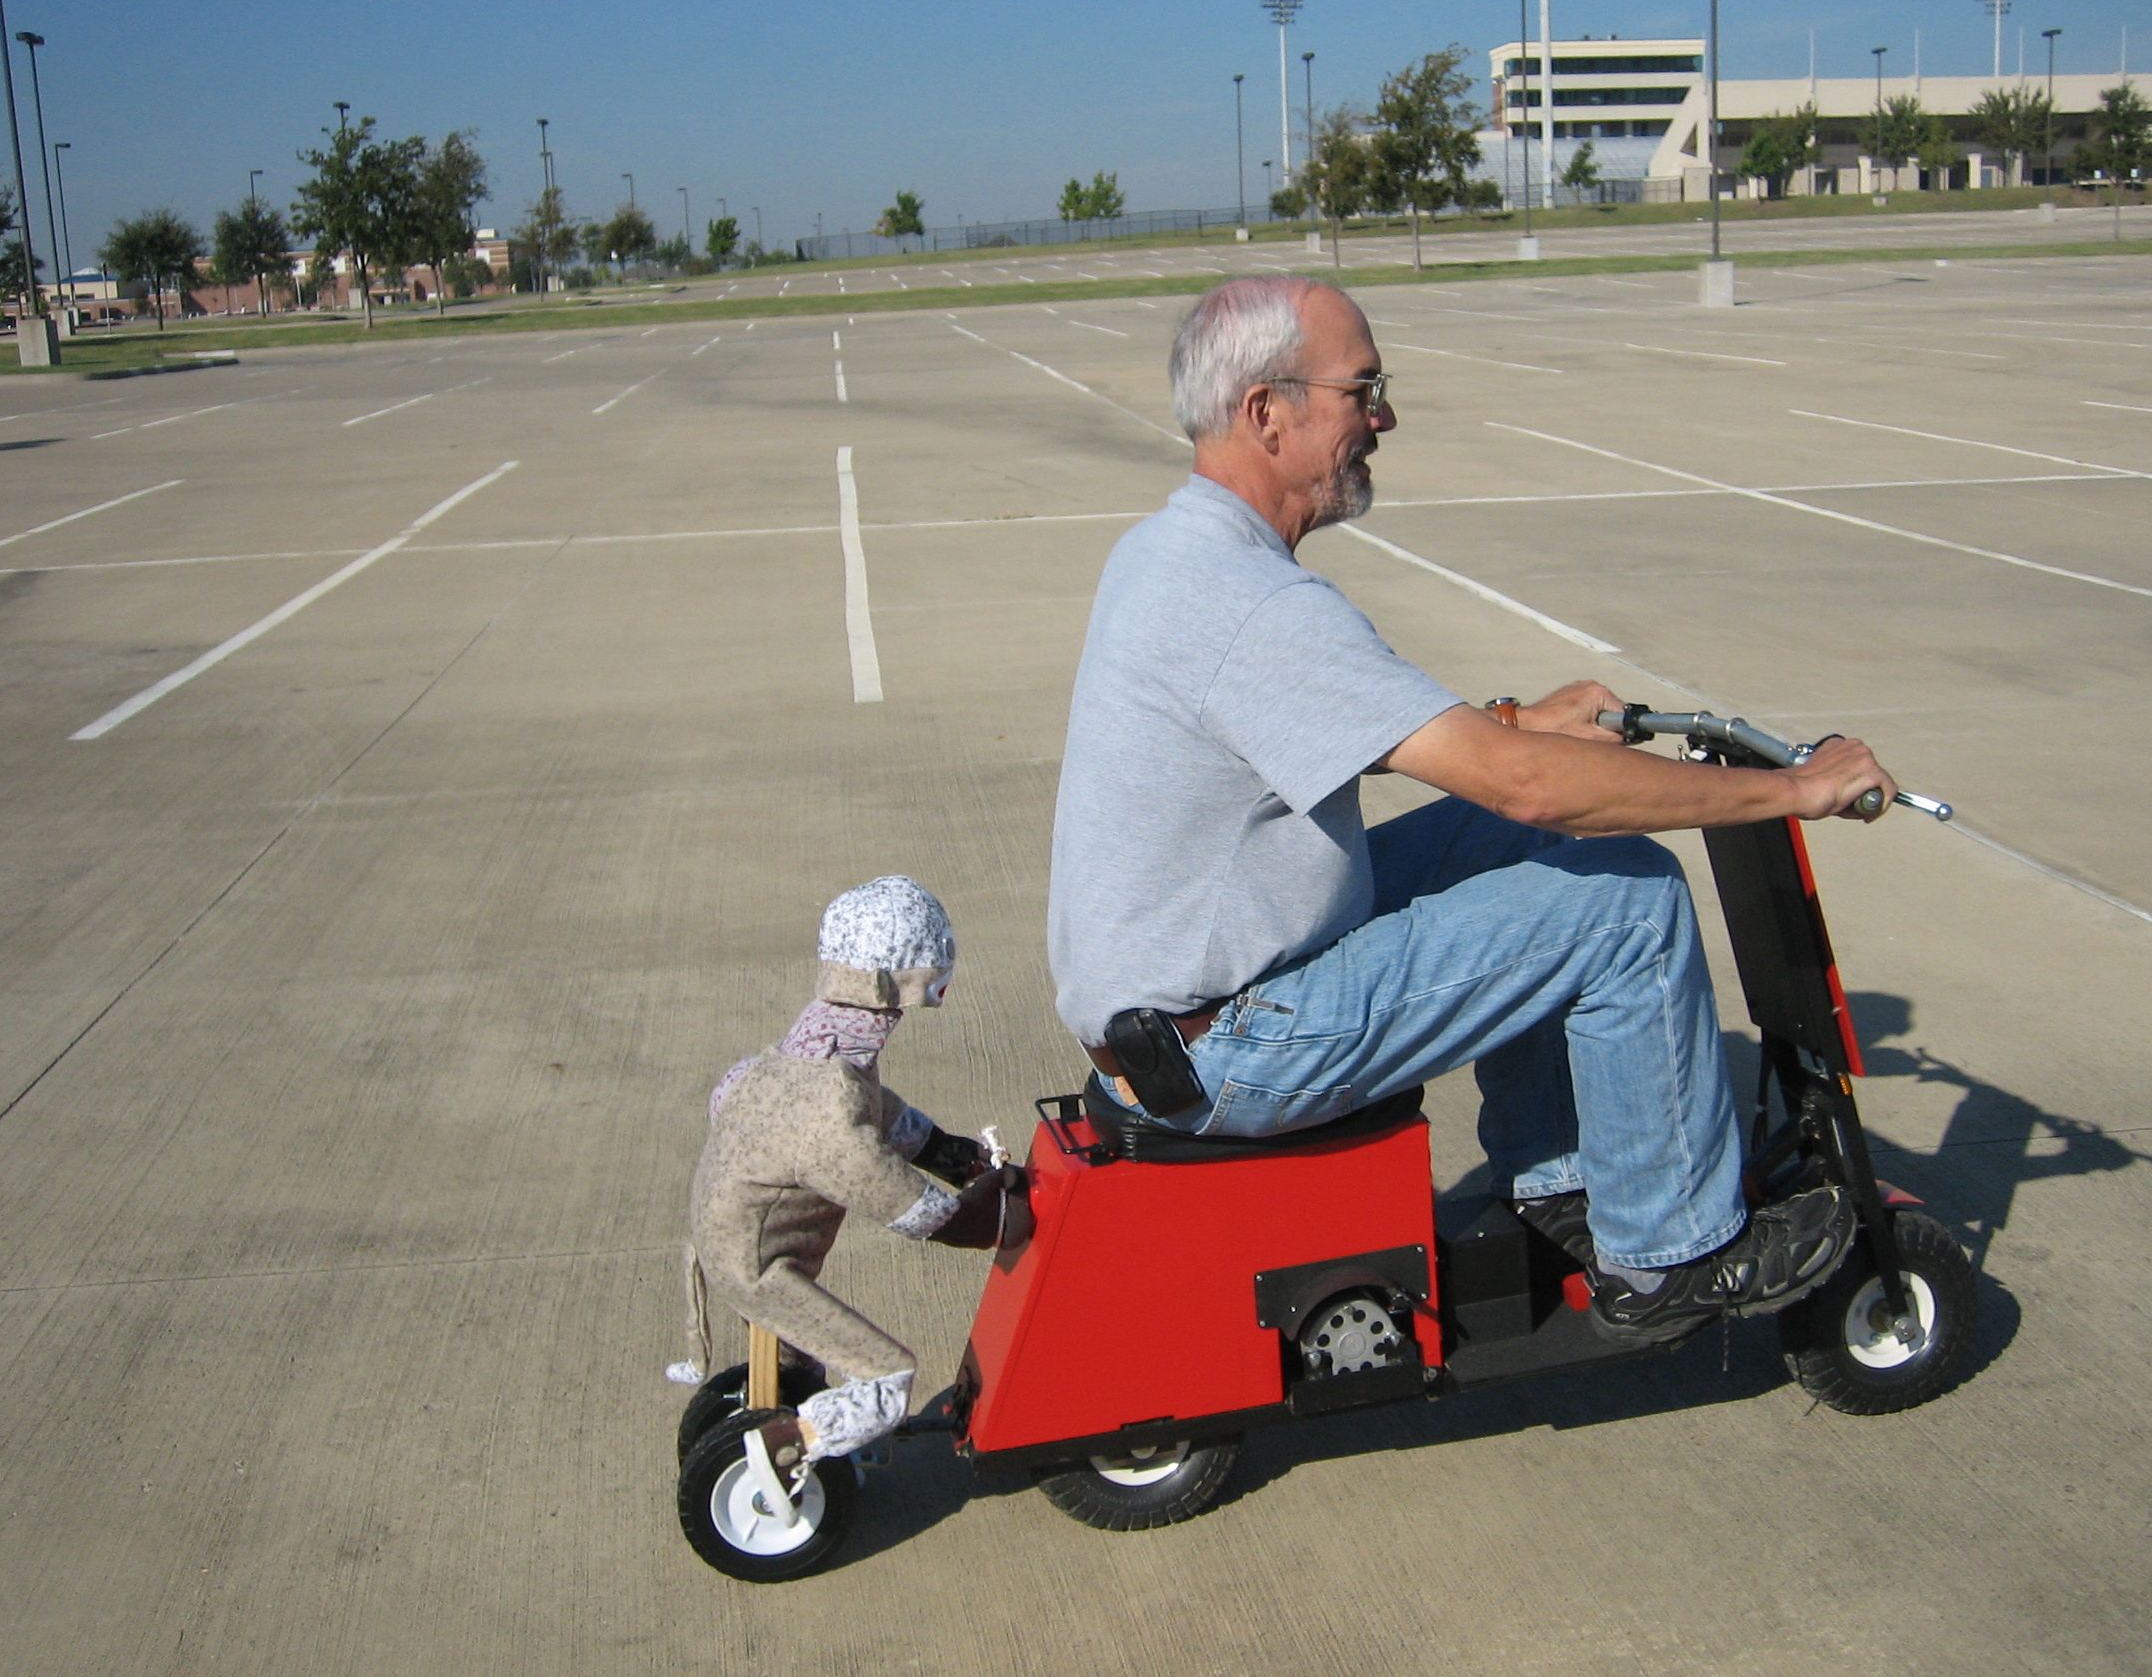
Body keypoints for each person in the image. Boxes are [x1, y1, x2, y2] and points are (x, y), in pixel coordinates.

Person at [1047, 274, 1900, 1338]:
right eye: (1365, 389)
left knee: (1517, 840)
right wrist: (1794, 788)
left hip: (1188, 999)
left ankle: (1558, 1177)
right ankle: (1673, 1251)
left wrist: (1511, 721)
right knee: (1626, 902)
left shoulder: (1175, 551)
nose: (1384, 418)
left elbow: (1328, 732)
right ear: (1269, 412)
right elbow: (1531, 785)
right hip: (1227, 1042)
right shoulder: (1253, 602)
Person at [671, 875, 1025, 1482]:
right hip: (756, 1269)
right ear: (908, 985)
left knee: (809, 1355)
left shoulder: (790, 1061)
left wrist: (949, 1153)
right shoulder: (829, 1120)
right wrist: (998, 1210)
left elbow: (876, 1110)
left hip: (721, 1239)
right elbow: (922, 1214)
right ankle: (780, 1449)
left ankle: (790, 1402)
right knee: (887, 1377)